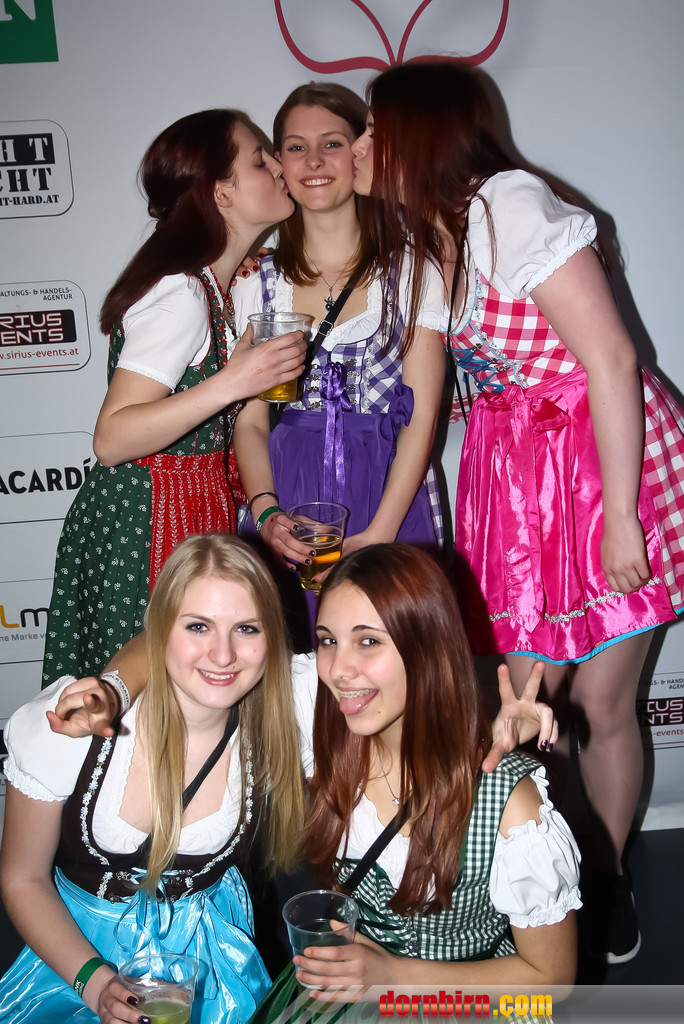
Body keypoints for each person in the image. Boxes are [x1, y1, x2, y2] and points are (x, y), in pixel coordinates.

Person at [350, 61, 684, 963]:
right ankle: (548, 881)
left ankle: (605, 879)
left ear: (421, 134)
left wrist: (622, 517)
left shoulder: (509, 205)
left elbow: (611, 360)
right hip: (517, 484)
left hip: (600, 467)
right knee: (529, 703)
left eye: (376, 129)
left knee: (601, 703)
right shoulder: (429, 238)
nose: (364, 146)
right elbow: (433, 395)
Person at [249, 544, 579, 1022]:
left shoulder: (513, 808)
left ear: (427, 647)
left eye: (368, 641)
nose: (338, 669)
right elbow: (201, 665)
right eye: (328, 640)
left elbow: (552, 979)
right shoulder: (324, 733)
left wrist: (394, 977)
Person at [41, 109, 307, 686]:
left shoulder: (222, 286)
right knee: (145, 696)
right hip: (145, 520)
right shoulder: (182, 293)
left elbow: (237, 421)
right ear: (221, 193)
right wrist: (234, 381)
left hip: (190, 505)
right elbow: (112, 439)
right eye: (260, 160)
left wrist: (264, 509)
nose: (279, 167)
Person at [0, 533, 307, 1024]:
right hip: (72, 956)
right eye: (198, 626)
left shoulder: (288, 710)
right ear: (163, 627)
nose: (223, 655)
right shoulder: (73, 726)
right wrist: (96, 984)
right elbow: (23, 878)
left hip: (210, 962)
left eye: (246, 628)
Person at [231, 85, 446, 587]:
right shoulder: (257, 282)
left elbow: (422, 417)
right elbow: (252, 418)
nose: (313, 161)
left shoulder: (413, 270)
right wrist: (266, 513)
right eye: (296, 147)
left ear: (360, 153)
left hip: (389, 494)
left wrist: (380, 533)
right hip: (288, 494)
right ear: (280, 162)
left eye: (331, 143)